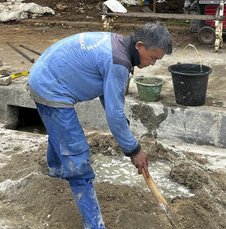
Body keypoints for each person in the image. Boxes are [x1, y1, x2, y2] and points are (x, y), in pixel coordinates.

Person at [28, 21, 172, 229]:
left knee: (58, 131)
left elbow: (109, 98)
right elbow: (113, 115)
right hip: (51, 88)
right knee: (76, 155)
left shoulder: (117, 43)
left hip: (43, 75)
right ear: (140, 45)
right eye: (153, 58)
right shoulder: (119, 62)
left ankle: (56, 172)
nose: (153, 64)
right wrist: (134, 150)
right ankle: (94, 225)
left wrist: (123, 126)